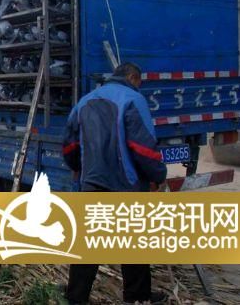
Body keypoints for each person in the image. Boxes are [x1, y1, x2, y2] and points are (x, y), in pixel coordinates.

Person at [62, 63, 168, 305]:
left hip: (92, 182)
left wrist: (77, 167)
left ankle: (76, 298)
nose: (139, 86)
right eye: (139, 82)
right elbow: (143, 147)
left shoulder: (84, 101)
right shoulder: (134, 100)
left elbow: (69, 145)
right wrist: (158, 174)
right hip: (126, 183)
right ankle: (137, 297)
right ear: (132, 77)